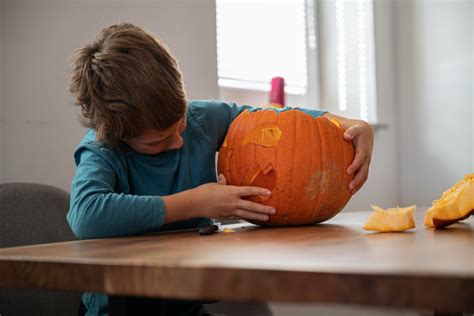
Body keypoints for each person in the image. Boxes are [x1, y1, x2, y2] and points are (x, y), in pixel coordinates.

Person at [67, 22, 374, 316]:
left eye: (180, 124)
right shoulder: (102, 148)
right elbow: (87, 215)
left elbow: (275, 120)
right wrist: (197, 203)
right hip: (121, 308)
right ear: (118, 134)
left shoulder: (201, 119)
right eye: (157, 142)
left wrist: (349, 125)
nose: (177, 141)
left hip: (186, 305)